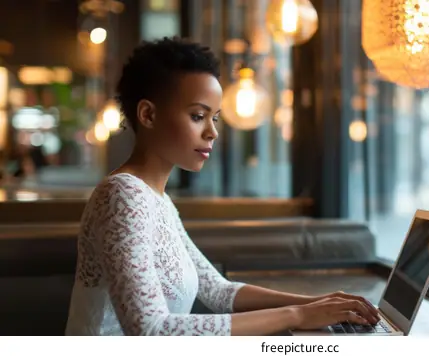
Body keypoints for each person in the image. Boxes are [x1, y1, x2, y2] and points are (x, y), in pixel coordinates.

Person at [64, 37, 379, 336]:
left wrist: (315, 303)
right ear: (148, 114)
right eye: (198, 116)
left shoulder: (156, 199)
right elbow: (151, 331)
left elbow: (217, 290)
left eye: (215, 118)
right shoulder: (123, 195)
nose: (212, 132)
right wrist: (297, 315)